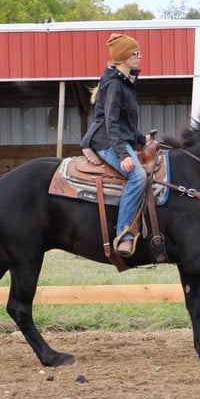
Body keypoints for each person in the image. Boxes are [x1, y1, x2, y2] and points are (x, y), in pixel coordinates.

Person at [80, 33, 150, 257]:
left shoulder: (125, 82)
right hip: (108, 141)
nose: (139, 57)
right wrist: (123, 155)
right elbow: (111, 123)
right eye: (135, 53)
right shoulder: (115, 85)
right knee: (138, 176)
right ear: (123, 57)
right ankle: (125, 234)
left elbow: (124, 122)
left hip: (118, 138)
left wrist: (143, 139)